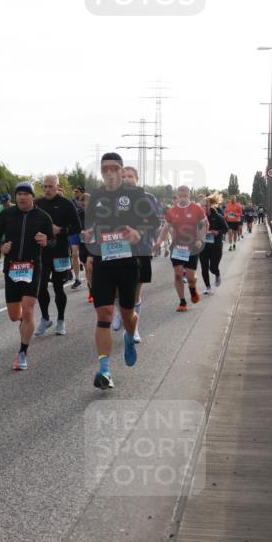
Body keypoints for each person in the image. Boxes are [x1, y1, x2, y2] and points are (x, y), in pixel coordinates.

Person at [82, 152, 157, 390]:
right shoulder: (96, 196)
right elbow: (92, 226)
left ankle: (128, 336)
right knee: (104, 314)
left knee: (127, 315)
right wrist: (89, 243)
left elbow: (154, 222)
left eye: (114, 168)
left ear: (122, 171)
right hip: (104, 261)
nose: (110, 173)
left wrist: (138, 232)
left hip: (128, 262)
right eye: (105, 169)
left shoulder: (137, 194)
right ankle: (104, 371)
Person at [0, 182, 54, 370]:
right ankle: (25, 325)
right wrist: (1, 246)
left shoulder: (43, 217)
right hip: (11, 268)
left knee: (28, 310)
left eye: (26, 193)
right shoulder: (6, 214)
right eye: (18, 194)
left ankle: (22, 353)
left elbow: (53, 241)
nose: (21, 197)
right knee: (14, 315)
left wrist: (46, 241)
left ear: (32, 197)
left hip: (32, 268)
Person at [111, 167, 162, 342]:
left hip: (141, 248)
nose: (126, 179)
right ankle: (120, 312)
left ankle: (133, 329)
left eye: (130, 176)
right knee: (117, 291)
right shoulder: (112, 196)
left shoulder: (147, 198)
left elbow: (155, 222)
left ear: (137, 178)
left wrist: (140, 232)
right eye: (123, 176)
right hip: (117, 248)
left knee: (136, 292)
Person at [34, 175, 80, 336]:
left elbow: (77, 227)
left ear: (57, 186)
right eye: (45, 186)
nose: (47, 189)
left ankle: (61, 320)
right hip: (42, 253)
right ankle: (45, 318)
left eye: (50, 186)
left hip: (60, 251)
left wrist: (60, 230)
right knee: (40, 287)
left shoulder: (66, 204)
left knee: (58, 287)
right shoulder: (37, 204)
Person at [156, 185, 207, 311]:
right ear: (177, 196)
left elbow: (205, 224)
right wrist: (159, 241)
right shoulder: (171, 211)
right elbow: (165, 228)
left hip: (192, 247)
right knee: (178, 274)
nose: (182, 199)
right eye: (180, 196)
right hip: (177, 246)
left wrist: (200, 239)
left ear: (189, 195)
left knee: (190, 277)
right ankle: (182, 301)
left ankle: (193, 289)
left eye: (185, 196)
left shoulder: (197, 209)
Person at [199, 194, 228, 293]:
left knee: (213, 268)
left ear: (210, 206)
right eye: (203, 206)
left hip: (216, 246)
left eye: (207, 205)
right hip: (203, 247)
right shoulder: (199, 218)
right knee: (204, 267)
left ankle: (217, 274)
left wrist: (217, 232)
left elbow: (226, 229)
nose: (205, 207)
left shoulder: (218, 216)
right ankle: (208, 287)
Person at [69, 185, 86, 288]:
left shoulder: (87, 200)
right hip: (74, 230)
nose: (75, 193)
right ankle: (77, 278)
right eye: (74, 191)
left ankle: (89, 275)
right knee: (74, 254)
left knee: (84, 256)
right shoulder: (71, 202)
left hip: (85, 231)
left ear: (82, 192)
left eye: (77, 191)